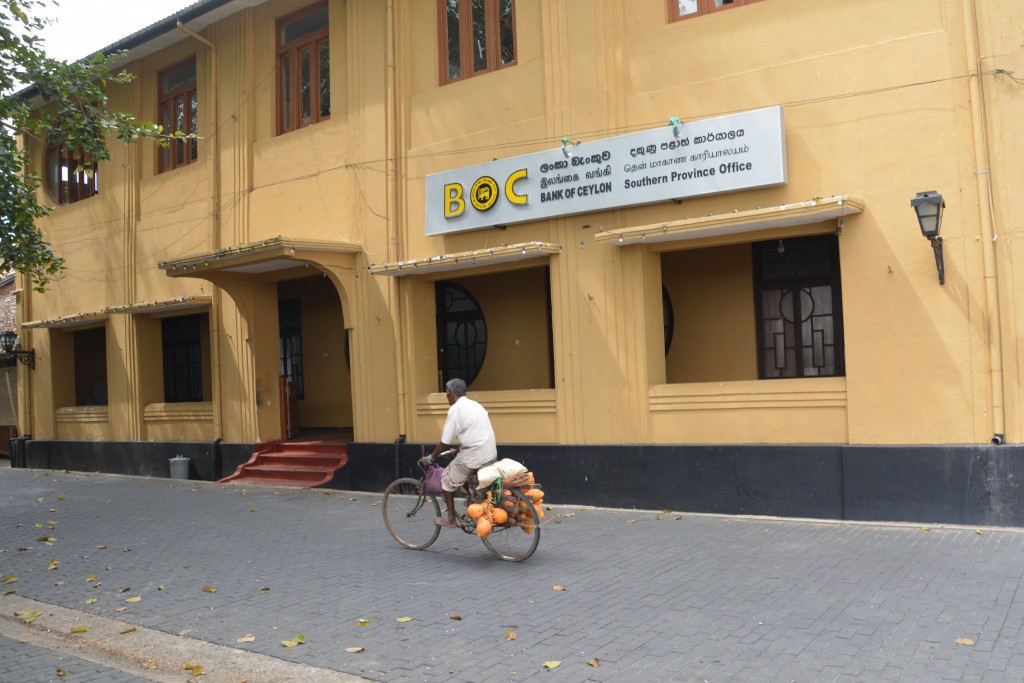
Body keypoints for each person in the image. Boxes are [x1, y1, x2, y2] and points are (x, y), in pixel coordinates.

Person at [419, 378, 497, 528]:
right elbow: (476, 435)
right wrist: (458, 450)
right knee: (462, 471)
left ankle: (451, 519)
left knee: (446, 480)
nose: (446, 397)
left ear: (453, 394)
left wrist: (431, 458)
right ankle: (472, 500)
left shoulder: (456, 409)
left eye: (447, 394)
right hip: (489, 453)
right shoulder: (476, 406)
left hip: (474, 455)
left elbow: (445, 441)